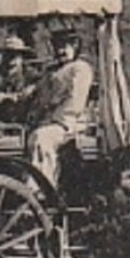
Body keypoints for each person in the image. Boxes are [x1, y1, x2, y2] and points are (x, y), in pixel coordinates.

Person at [26, 28, 96, 187]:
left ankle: (42, 189)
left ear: (75, 46)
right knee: (32, 136)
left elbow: (75, 100)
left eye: (66, 46)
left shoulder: (80, 68)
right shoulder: (50, 70)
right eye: (58, 46)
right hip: (49, 121)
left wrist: (58, 121)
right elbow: (40, 98)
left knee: (42, 139)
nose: (61, 51)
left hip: (70, 123)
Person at [0, 35, 37, 122]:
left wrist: (21, 95)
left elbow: (38, 85)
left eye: (15, 55)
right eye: (8, 54)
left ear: (22, 57)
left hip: (21, 119)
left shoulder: (30, 74)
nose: (11, 59)